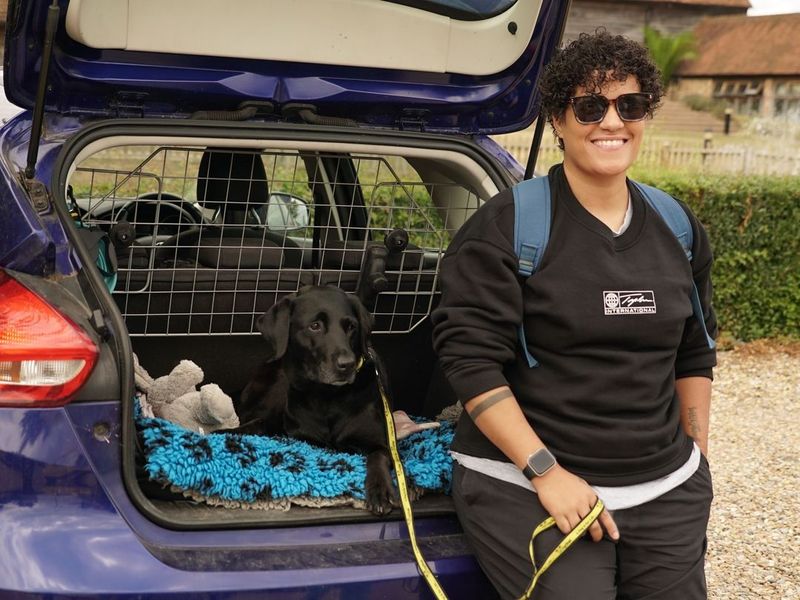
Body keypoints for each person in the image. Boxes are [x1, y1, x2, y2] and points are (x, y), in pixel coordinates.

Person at [431, 30, 717, 600]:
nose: (612, 122)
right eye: (590, 106)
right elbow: (470, 361)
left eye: (628, 105)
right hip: (526, 480)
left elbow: (695, 350)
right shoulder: (507, 228)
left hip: (664, 486)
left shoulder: (677, 227)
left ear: (645, 114)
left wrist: (696, 460)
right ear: (559, 122)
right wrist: (547, 474)